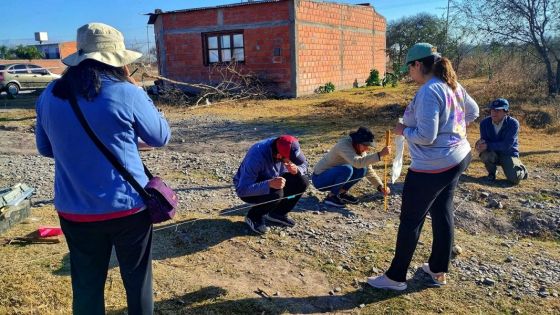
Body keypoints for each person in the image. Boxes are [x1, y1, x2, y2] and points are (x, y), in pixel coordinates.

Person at [35, 23, 170, 314]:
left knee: (85, 285)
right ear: (119, 60)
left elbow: (46, 149)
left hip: (74, 210)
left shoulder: (49, 95)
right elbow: (160, 136)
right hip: (128, 210)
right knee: (138, 283)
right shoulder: (127, 92)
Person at [368, 43, 479, 290]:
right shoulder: (451, 84)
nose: (409, 73)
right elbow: (473, 111)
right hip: (458, 157)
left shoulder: (430, 90)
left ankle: (396, 277)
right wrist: (455, 131)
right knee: (442, 211)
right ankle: (438, 271)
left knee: (410, 220)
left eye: (409, 68)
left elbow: (427, 136)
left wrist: (403, 130)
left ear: (418, 64)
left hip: (433, 165)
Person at [233, 135, 310, 234]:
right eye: (290, 159)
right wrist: (268, 184)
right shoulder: (256, 157)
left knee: (302, 182)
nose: (293, 161)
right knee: (276, 193)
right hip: (251, 188)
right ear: (279, 156)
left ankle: (278, 213)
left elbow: (304, 164)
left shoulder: (288, 146)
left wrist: (297, 169)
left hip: (275, 178)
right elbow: (242, 190)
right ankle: (254, 216)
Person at [312, 126, 391, 207]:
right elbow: (357, 163)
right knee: (347, 169)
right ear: (358, 142)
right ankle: (331, 197)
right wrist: (380, 154)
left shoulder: (359, 148)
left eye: (368, 145)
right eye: (365, 145)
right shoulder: (343, 145)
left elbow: (368, 169)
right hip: (319, 179)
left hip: (333, 175)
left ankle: (341, 193)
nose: (367, 148)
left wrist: (380, 186)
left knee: (363, 169)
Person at [475, 98, 528, 184]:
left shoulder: (513, 123)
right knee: (485, 154)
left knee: (514, 179)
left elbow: (507, 145)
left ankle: (522, 170)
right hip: (492, 153)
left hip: (508, 153)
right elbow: (484, 140)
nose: (494, 113)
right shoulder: (484, 123)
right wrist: (479, 145)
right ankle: (491, 174)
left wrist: (487, 145)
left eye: (498, 110)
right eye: (492, 110)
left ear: (506, 111)